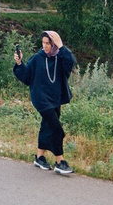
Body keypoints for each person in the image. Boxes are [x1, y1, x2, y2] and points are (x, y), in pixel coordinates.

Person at [14, 27, 77, 175]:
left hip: (55, 99)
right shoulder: (37, 58)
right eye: (43, 43)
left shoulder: (60, 57)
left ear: (54, 44)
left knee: (46, 126)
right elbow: (26, 77)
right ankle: (60, 162)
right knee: (56, 129)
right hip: (41, 99)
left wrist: (61, 46)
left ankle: (39, 157)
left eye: (48, 43)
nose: (45, 46)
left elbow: (71, 63)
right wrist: (19, 63)